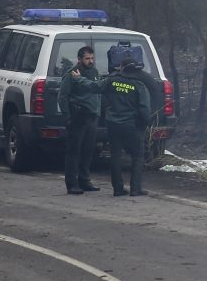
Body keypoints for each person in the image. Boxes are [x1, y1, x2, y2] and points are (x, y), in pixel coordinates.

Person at [103, 56, 152, 197]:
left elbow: (95, 88)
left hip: (113, 125)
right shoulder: (139, 85)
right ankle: (135, 188)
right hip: (132, 126)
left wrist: (79, 80)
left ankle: (117, 188)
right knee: (137, 156)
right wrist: (145, 124)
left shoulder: (111, 81)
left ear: (121, 67)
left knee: (115, 156)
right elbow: (144, 109)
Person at [59, 46, 103, 195]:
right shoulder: (72, 74)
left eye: (92, 58)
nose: (90, 61)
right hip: (78, 116)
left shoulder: (95, 72)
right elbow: (63, 96)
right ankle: (72, 183)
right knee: (74, 151)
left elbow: (97, 91)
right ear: (79, 59)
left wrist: (97, 112)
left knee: (88, 150)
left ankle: (85, 180)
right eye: (87, 58)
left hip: (91, 116)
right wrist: (67, 117)